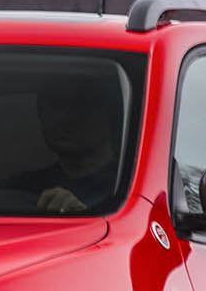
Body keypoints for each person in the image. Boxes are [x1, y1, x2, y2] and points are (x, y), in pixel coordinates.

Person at [9, 75, 122, 213]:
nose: (63, 118)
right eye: (54, 105)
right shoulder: (20, 187)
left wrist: (81, 214)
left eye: (79, 104)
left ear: (111, 113)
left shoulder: (130, 189)